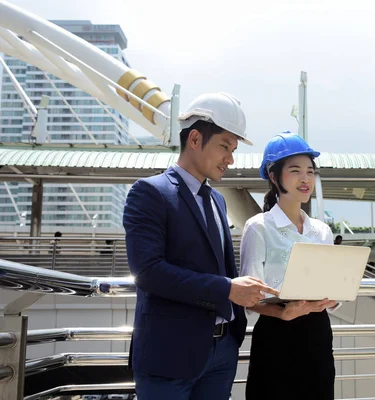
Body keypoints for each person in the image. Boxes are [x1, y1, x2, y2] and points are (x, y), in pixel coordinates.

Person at [123, 93, 279, 400]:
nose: (230, 159)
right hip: (169, 356)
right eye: (225, 146)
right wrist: (226, 290)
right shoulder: (149, 192)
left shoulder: (217, 200)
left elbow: (223, 268)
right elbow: (148, 272)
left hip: (222, 353)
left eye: (233, 150)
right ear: (195, 139)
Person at [241, 132, 339, 400]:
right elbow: (248, 299)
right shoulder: (259, 227)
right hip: (277, 334)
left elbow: (332, 285)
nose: (305, 178)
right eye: (295, 171)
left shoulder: (321, 230)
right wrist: (282, 313)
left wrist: (333, 296)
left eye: (310, 171)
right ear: (274, 177)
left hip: (317, 333)